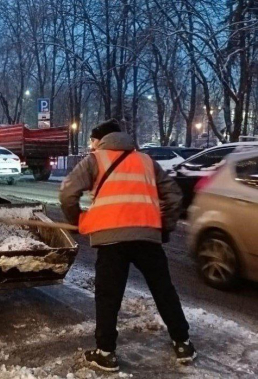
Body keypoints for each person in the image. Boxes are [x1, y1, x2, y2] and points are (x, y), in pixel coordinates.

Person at [59, 119, 196, 372]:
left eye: (93, 141)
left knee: (108, 296)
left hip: (112, 242)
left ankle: (106, 353)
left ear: (100, 140)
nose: (92, 145)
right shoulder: (146, 161)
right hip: (147, 239)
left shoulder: (95, 160)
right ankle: (183, 343)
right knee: (163, 290)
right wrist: (163, 226)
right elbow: (174, 195)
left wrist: (77, 220)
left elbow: (67, 192)